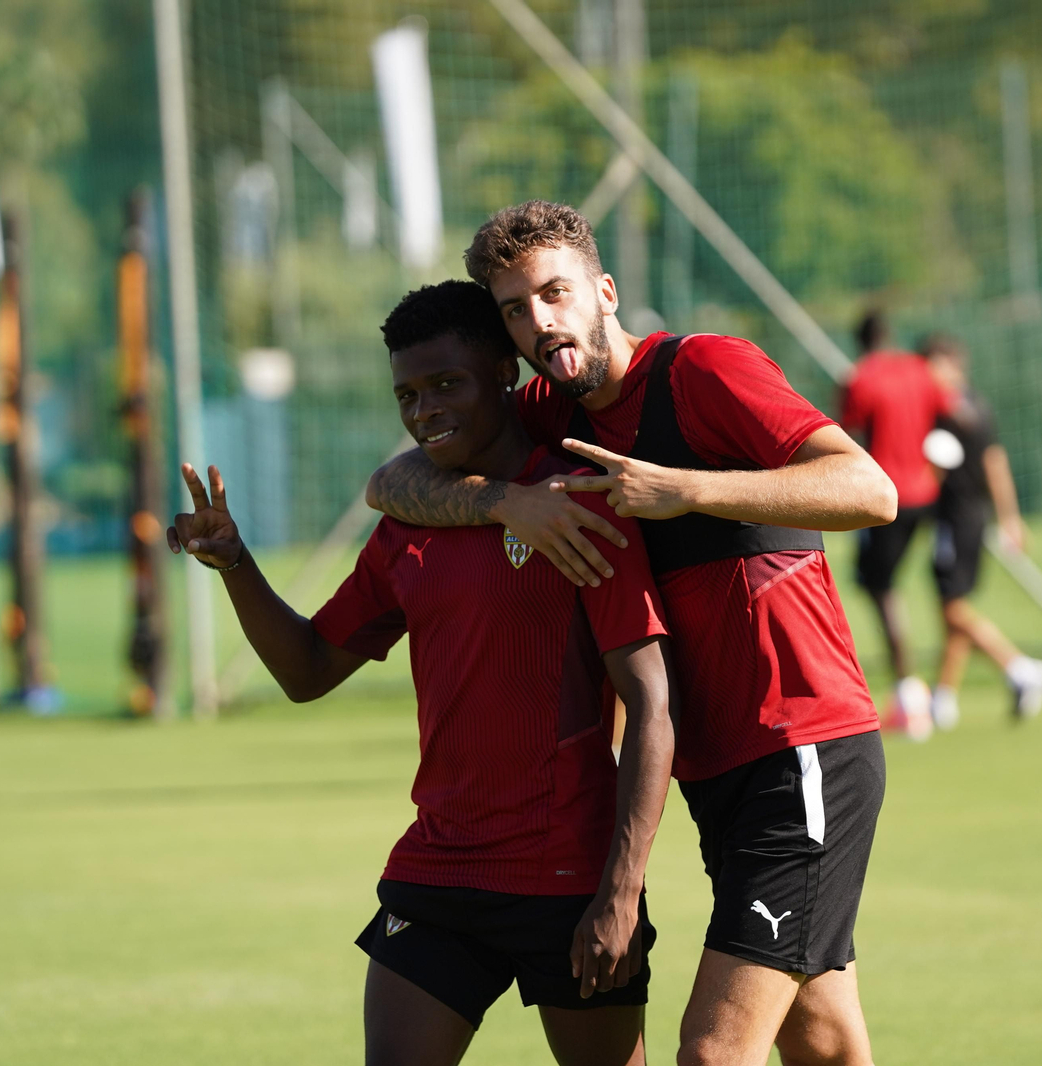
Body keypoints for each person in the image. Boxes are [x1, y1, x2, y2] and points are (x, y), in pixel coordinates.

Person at [365, 201, 897, 1066]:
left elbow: (870, 491)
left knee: (714, 1052)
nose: (540, 323)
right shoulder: (546, 412)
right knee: (825, 1040)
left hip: (802, 746)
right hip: (715, 767)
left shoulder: (704, 370)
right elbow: (391, 485)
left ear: (603, 291)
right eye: (513, 309)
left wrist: (688, 489)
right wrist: (502, 503)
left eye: (554, 293)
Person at [167, 280, 675, 1066]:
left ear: (507, 375)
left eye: (446, 385)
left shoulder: (579, 503)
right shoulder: (411, 520)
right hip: (440, 866)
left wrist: (620, 893)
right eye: (407, 393)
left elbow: (651, 707)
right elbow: (307, 671)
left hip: (568, 874)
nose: (424, 409)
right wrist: (236, 565)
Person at [920, 333, 1042, 728]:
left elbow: (990, 462)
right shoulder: (976, 405)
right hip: (971, 517)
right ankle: (942, 699)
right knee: (953, 605)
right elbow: (996, 461)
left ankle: (1019, 668)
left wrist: (1010, 517)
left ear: (949, 364)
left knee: (952, 607)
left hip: (956, 519)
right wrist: (1009, 517)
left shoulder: (951, 411)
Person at [837, 310, 952, 741]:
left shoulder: (861, 378)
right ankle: (918, 692)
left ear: (861, 341)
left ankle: (910, 699)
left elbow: (843, 436)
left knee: (880, 589)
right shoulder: (922, 370)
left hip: (885, 500)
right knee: (889, 586)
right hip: (927, 494)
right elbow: (948, 416)